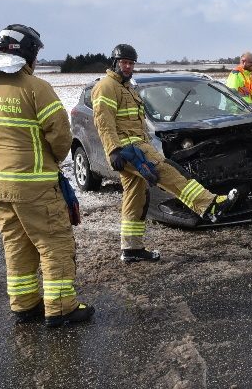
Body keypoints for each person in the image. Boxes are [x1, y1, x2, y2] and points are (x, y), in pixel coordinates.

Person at [0, 24, 94, 327]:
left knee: (16, 244)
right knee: (54, 244)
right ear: (28, 54)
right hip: (36, 186)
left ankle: (25, 305)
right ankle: (62, 307)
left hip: (1, 186)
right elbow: (61, 138)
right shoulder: (37, 89)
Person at [92, 44, 239, 263]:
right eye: (124, 62)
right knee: (167, 170)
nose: (128, 66)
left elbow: (137, 121)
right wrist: (113, 150)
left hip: (136, 146)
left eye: (131, 63)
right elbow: (104, 122)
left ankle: (131, 249)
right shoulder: (106, 86)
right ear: (114, 63)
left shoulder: (127, 88)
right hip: (129, 150)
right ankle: (208, 204)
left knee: (136, 197)